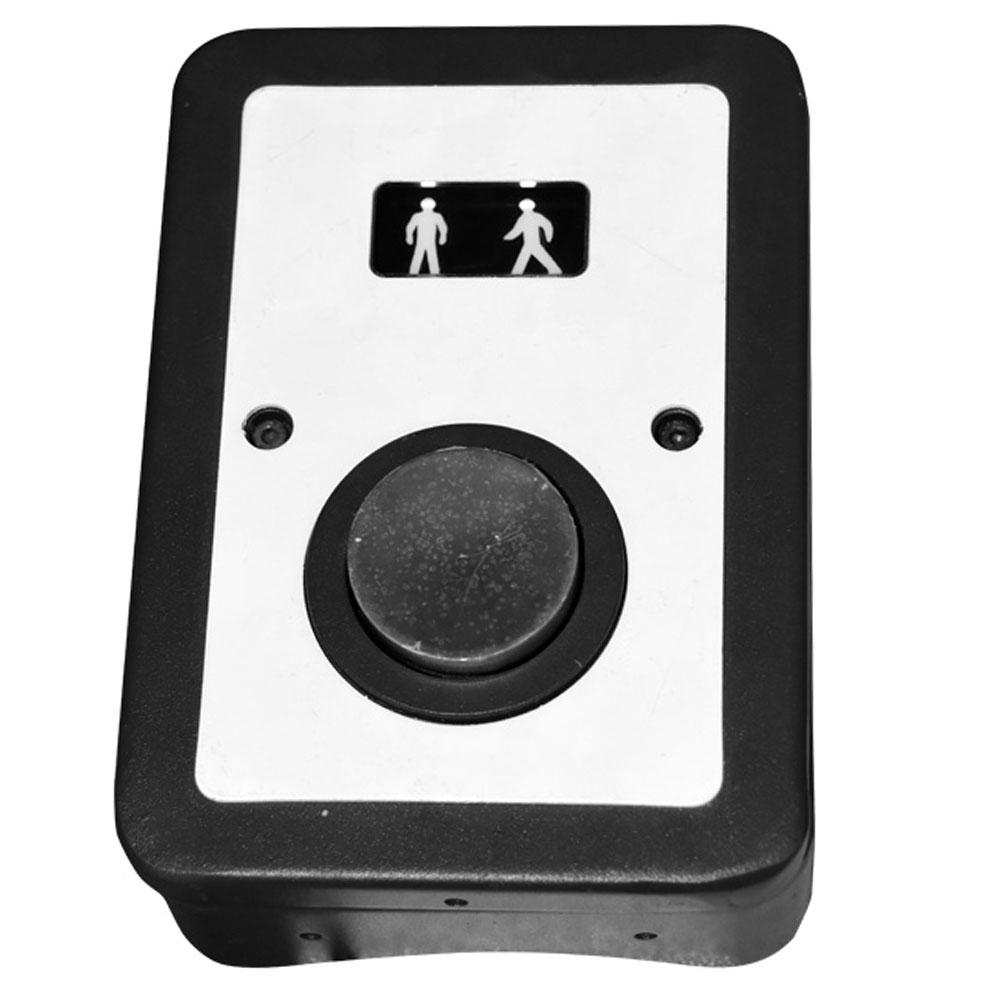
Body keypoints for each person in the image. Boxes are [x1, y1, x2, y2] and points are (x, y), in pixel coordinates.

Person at [503, 199, 562, 275]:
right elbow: (547, 225)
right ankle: (516, 273)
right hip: (529, 244)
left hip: (532, 244)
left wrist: (507, 237)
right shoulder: (531, 217)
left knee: (526, 259)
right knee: (523, 260)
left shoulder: (525, 218)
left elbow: (516, 231)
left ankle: (555, 270)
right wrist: (548, 237)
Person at [405, 197, 448, 275]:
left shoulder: (436, 216)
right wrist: (409, 237)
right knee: (419, 257)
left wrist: (443, 237)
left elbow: (443, 227)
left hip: (430, 241)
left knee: (431, 257)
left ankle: (434, 274)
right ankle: (413, 274)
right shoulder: (418, 216)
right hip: (421, 241)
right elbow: (410, 227)